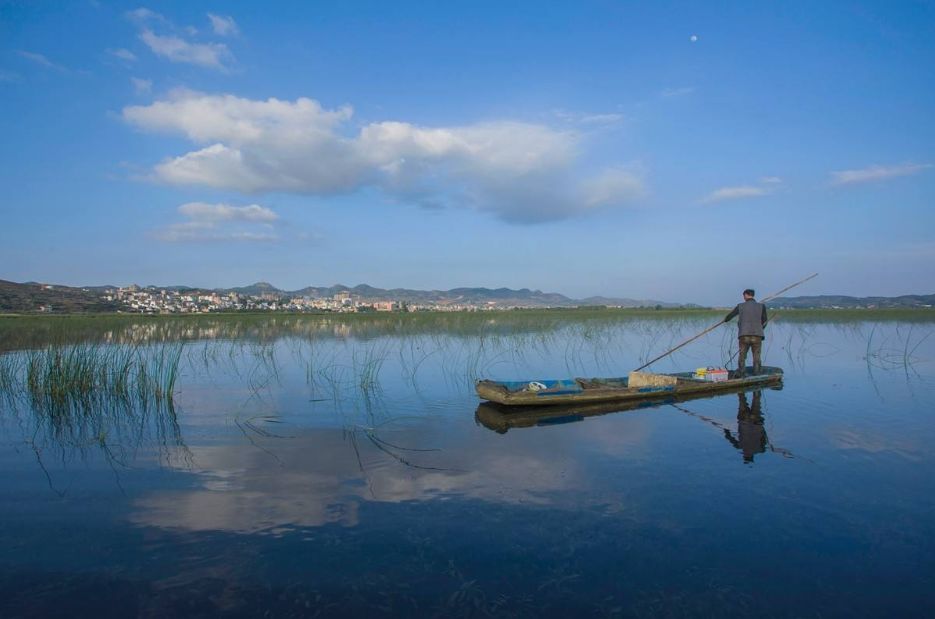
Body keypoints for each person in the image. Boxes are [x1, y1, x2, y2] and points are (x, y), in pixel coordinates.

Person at [723, 288, 767, 377]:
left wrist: (725, 320)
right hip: (757, 335)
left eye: (743, 295)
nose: (743, 297)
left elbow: (729, 317)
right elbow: (765, 321)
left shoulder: (740, 306)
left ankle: (741, 372)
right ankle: (757, 373)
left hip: (744, 335)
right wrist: (760, 328)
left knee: (742, 355)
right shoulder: (761, 306)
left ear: (746, 295)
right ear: (753, 295)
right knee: (756, 355)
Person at [723, 390, 768, 463]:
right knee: (742, 399)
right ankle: (741, 390)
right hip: (743, 419)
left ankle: (757, 388)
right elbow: (727, 435)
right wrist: (725, 430)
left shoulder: (760, 449)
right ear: (744, 455)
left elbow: (764, 437)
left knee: (757, 400)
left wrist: (762, 425)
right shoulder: (739, 446)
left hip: (756, 422)